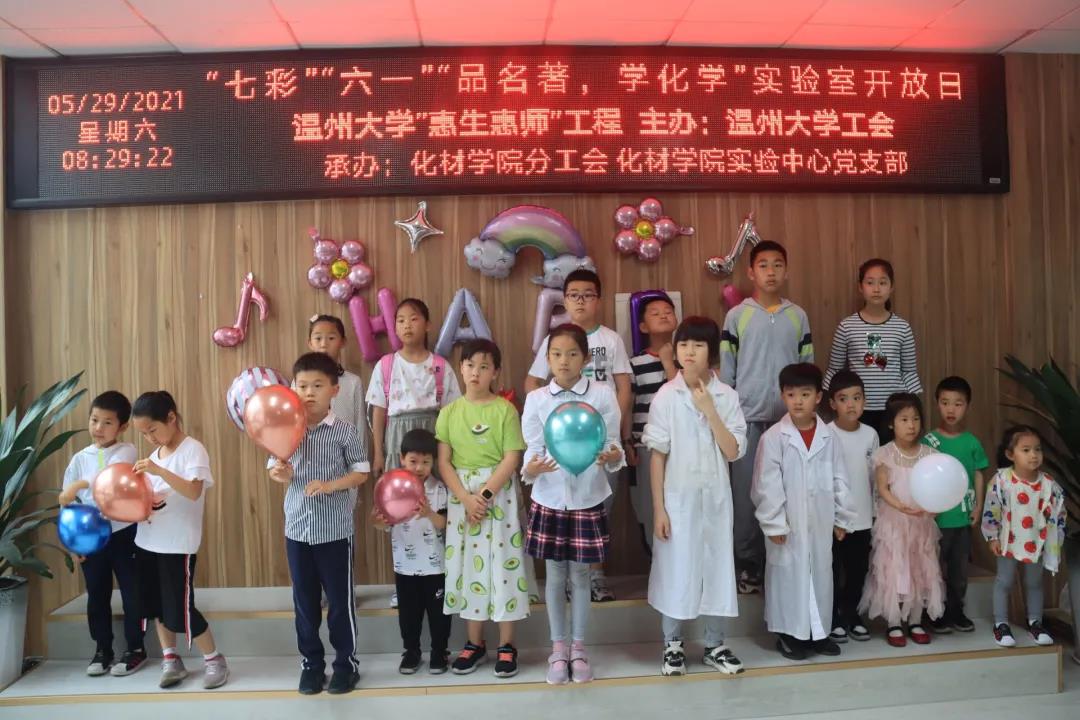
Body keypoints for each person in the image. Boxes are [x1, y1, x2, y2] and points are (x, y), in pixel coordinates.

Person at [643, 317, 747, 677]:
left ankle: (715, 644)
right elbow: (658, 456)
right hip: (678, 501)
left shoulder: (727, 396)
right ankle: (673, 644)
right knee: (676, 568)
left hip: (715, 500)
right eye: (684, 344)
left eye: (698, 345)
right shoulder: (666, 396)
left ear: (711, 352)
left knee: (717, 567)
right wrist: (659, 509)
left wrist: (710, 411)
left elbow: (733, 451)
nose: (689, 352)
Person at [522, 324, 623, 684]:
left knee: (580, 574)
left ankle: (579, 648)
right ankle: (557, 649)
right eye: (556, 354)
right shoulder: (537, 398)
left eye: (572, 354)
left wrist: (612, 455)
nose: (563, 361)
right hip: (549, 497)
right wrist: (531, 468)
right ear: (547, 358)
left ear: (586, 357)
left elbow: (612, 444)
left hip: (587, 496)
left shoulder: (602, 394)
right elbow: (533, 448)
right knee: (553, 575)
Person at [524, 269, 631, 601]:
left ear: (598, 300)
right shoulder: (552, 341)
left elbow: (624, 387)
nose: (580, 301)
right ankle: (566, 581)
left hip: (600, 443)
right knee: (563, 510)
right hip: (560, 444)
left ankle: (595, 576)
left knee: (598, 508)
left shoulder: (611, 339)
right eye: (573, 295)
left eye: (588, 294)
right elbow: (533, 381)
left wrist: (614, 434)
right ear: (565, 300)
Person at [268, 352, 369, 695]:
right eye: (302, 385)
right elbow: (276, 469)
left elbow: (361, 473)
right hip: (297, 530)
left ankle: (346, 665)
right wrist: (281, 473)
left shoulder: (345, 431)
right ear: (293, 388)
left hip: (335, 532)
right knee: (305, 603)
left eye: (317, 385)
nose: (309, 392)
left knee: (340, 604)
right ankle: (311, 665)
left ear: (334, 391)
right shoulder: (284, 428)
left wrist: (331, 485)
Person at [720, 240, 814, 595]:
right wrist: (729, 416)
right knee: (747, 495)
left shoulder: (798, 316)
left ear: (786, 271)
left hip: (789, 422)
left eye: (777, 264)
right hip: (746, 422)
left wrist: (805, 412)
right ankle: (747, 565)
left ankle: (785, 564)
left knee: (788, 494)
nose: (770, 271)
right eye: (763, 265)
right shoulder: (737, 316)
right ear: (750, 272)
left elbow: (807, 368)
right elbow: (727, 372)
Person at [436, 339, 529, 677]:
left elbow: (512, 457)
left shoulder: (505, 410)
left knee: (503, 565)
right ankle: (474, 643)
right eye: (470, 365)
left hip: (498, 496)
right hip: (462, 499)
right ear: (460, 369)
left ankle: (507, 645)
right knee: (468, 568)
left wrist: (485, 495)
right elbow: (443, 462)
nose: (476, 372)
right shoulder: (449, 412)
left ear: (495, 372)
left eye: (484, 366)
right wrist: (465, 497)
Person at [751, 363, 856, 661]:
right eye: (791, 394)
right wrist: (774, 523)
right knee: (788, 579)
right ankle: (788, 635)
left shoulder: (828, 437)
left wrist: (842, 517)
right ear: (783, 396)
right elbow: (766, 484)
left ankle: (818, 634)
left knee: (820, 575)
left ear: (819, 397)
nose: (798, 401)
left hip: (820, 523)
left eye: (805, 394)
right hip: (788, 525)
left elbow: (840, 479)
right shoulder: (774, 438)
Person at [130, 391, 227, 689]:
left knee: (181, 607)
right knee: (157, 606)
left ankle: (214, 659)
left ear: (171, 417)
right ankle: (170, 659)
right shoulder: (153, 457)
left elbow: (194, 491)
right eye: (144, 434)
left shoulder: (192, 450)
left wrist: (158, 470)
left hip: (177, 545)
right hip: (147, 541)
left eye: (152, 430)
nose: (149, 438)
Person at [58, 391, 145, 677]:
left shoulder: (127, 451)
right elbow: (67, 503)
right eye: (94, 420)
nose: (99, 427)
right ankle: (102, 649)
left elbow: (107, 478)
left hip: (123, 533)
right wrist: (73, 542)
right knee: (96, 594)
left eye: (107, 422)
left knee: (133, 592)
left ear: (123, 426)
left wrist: (77, 486)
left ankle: (136, 648)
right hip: (89, 537)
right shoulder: (79, 458)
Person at [859, 393, 944, 647]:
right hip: (894, 523)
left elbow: (937, 487)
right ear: (891, 423)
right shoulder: (885, 454)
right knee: (895, 570)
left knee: (920, 569)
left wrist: (933, 508)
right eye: (904, 419)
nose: (911, 425)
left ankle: (916, 620)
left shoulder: (929, 454)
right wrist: (901, 506)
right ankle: (894, 622)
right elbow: (883, 488)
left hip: (921, 524)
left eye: (915, 419)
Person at [372, 429, 451, 675]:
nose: (419, 467)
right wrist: (378, 521)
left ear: (434, 462)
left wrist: (429, 513)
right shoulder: (392, 487)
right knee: (408, 614)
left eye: (426, 462)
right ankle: (411, 651)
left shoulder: (440, 489)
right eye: (413, 461)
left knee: (438, 614)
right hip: (404, 566)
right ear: (402, 459)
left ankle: (439, 651)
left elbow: (444, 524)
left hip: (435, 567)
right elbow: (381, 524)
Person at [983, 425, 1066, 648]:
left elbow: (1059, 512)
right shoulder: (1002, 480)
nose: (1034, 455)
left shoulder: (1048, 484)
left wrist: (1055, 540)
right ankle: (1001, 624)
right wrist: (992, 536)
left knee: (1034, 582)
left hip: (1036, 542)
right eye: (1026, 450)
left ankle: (1035, 623)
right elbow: (992, 509)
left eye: (1037, 449)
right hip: (1008, 541)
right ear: (1011, 454)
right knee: (1004, 581)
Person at [824, 258, 922, 442]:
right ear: (860, 287)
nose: (876, 289)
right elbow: (835, 370)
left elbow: (909, 371)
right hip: (857, 409)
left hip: (893, 410)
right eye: (870, 283)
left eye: (882, 283)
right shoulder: (847, 326)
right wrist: (834, 403)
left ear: (891, 287)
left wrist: (909, 409)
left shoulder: (902, 327)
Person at [921, 376, 990, 634]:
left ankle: (956, 611)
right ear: (937, 404)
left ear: (967, 406)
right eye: (945, 402)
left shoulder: (971, 442)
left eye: (958, 404)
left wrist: (978, 506)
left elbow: (979, 474)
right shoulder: (929, 441)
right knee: (934, 567)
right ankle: (934, 612)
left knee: (959, 569)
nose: (951, 409)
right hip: (936, 519)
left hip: (962, 518)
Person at [367, 298, 462, 477]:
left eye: (413, 319)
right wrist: (378, 453)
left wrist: (451, 453)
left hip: (432, 431)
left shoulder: (440, 366)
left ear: (427, 325)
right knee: (399, 489)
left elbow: (452, 414)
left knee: (433, 487)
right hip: (397, 435)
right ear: (395, 328)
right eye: (401, 320)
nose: (407, 325)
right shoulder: (386, 365)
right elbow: (378, 412)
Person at [826, 371, 879, 644]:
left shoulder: (871, 434)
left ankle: (852, 615)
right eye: (843, 399)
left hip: (864, 517)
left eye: (857, 398)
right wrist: (835, 516)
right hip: (834, 520)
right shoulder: (826, 433)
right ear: (832, 403)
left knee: (858, 570)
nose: (851, 404)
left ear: (864, 401)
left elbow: (875, 477)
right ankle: (833, 617)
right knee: (833, 571)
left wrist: (876, 512)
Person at [629, 293, 678, 548]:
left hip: (681, 445)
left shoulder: (686, 359)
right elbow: (630, 404)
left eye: (668, 311)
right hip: (646, 445)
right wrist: (628, 441)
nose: (663, 315)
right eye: (655, 313)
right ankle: (655, 560)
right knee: (649, 507)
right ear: (643, 327)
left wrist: (669, 363)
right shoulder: (635, 363)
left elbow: (683, 398)